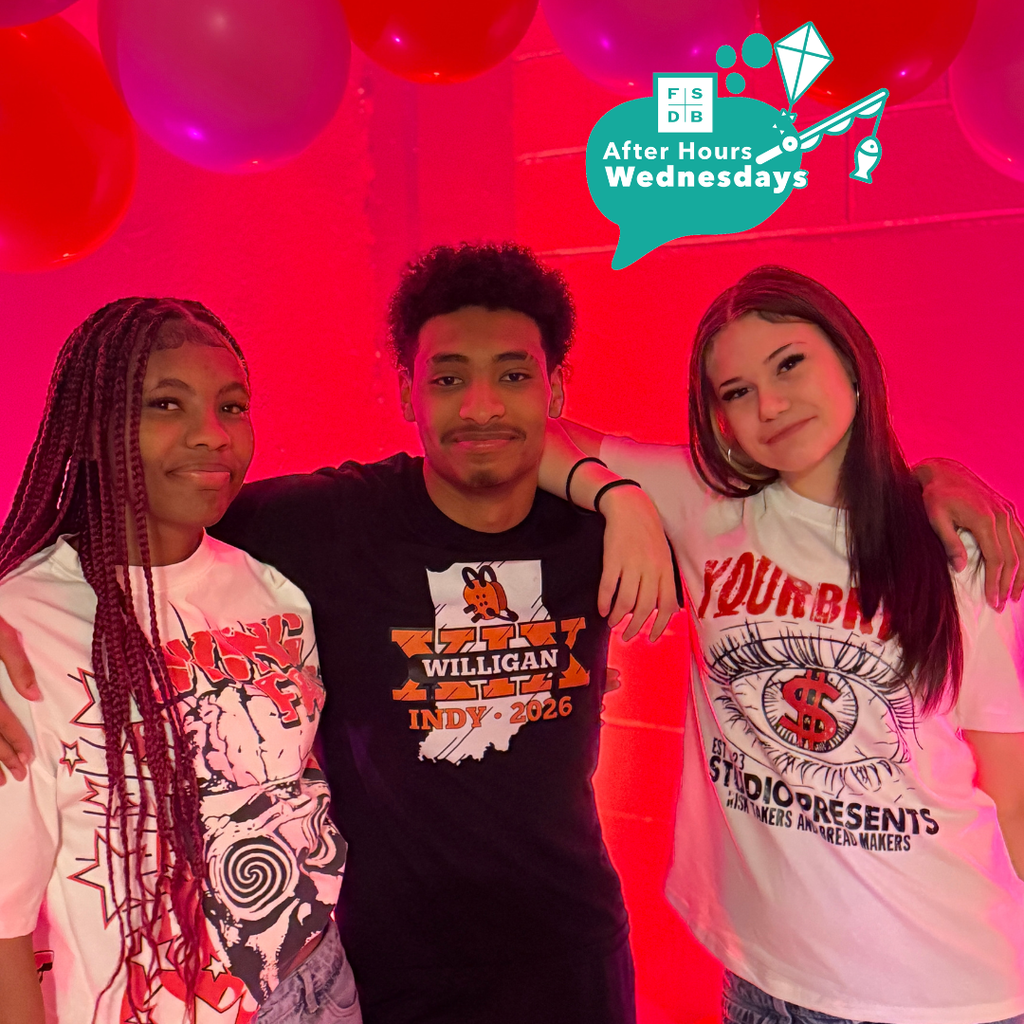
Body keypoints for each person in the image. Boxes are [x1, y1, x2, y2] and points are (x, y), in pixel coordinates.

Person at [0, 245, 1018, 1024]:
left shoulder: (629, 519)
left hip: (573, 960)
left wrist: (926, 477)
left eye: (513, 376)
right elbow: (129, 517)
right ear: (405, 392)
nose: (480, 405)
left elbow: (827, 490)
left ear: (556, 391)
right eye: (446, 377)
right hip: (379, 971)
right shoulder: (310, 523)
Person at [548, 265, 1024, 1024]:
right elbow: (529, 432)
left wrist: (934, 475)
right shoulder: (700, 503)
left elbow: (1013, 791)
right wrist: (618, 496)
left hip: (949, 987)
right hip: (764, 981)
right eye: (735, 391)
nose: (767, 403)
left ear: (852, 363)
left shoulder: (955, 545)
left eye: (790, 364)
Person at [0, 299, 359, 1024]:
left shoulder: (275, 591)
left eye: (233, 406)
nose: (212, 435)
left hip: (317, 983)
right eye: (168, 403)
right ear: (93, 430)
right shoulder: (24, 624)